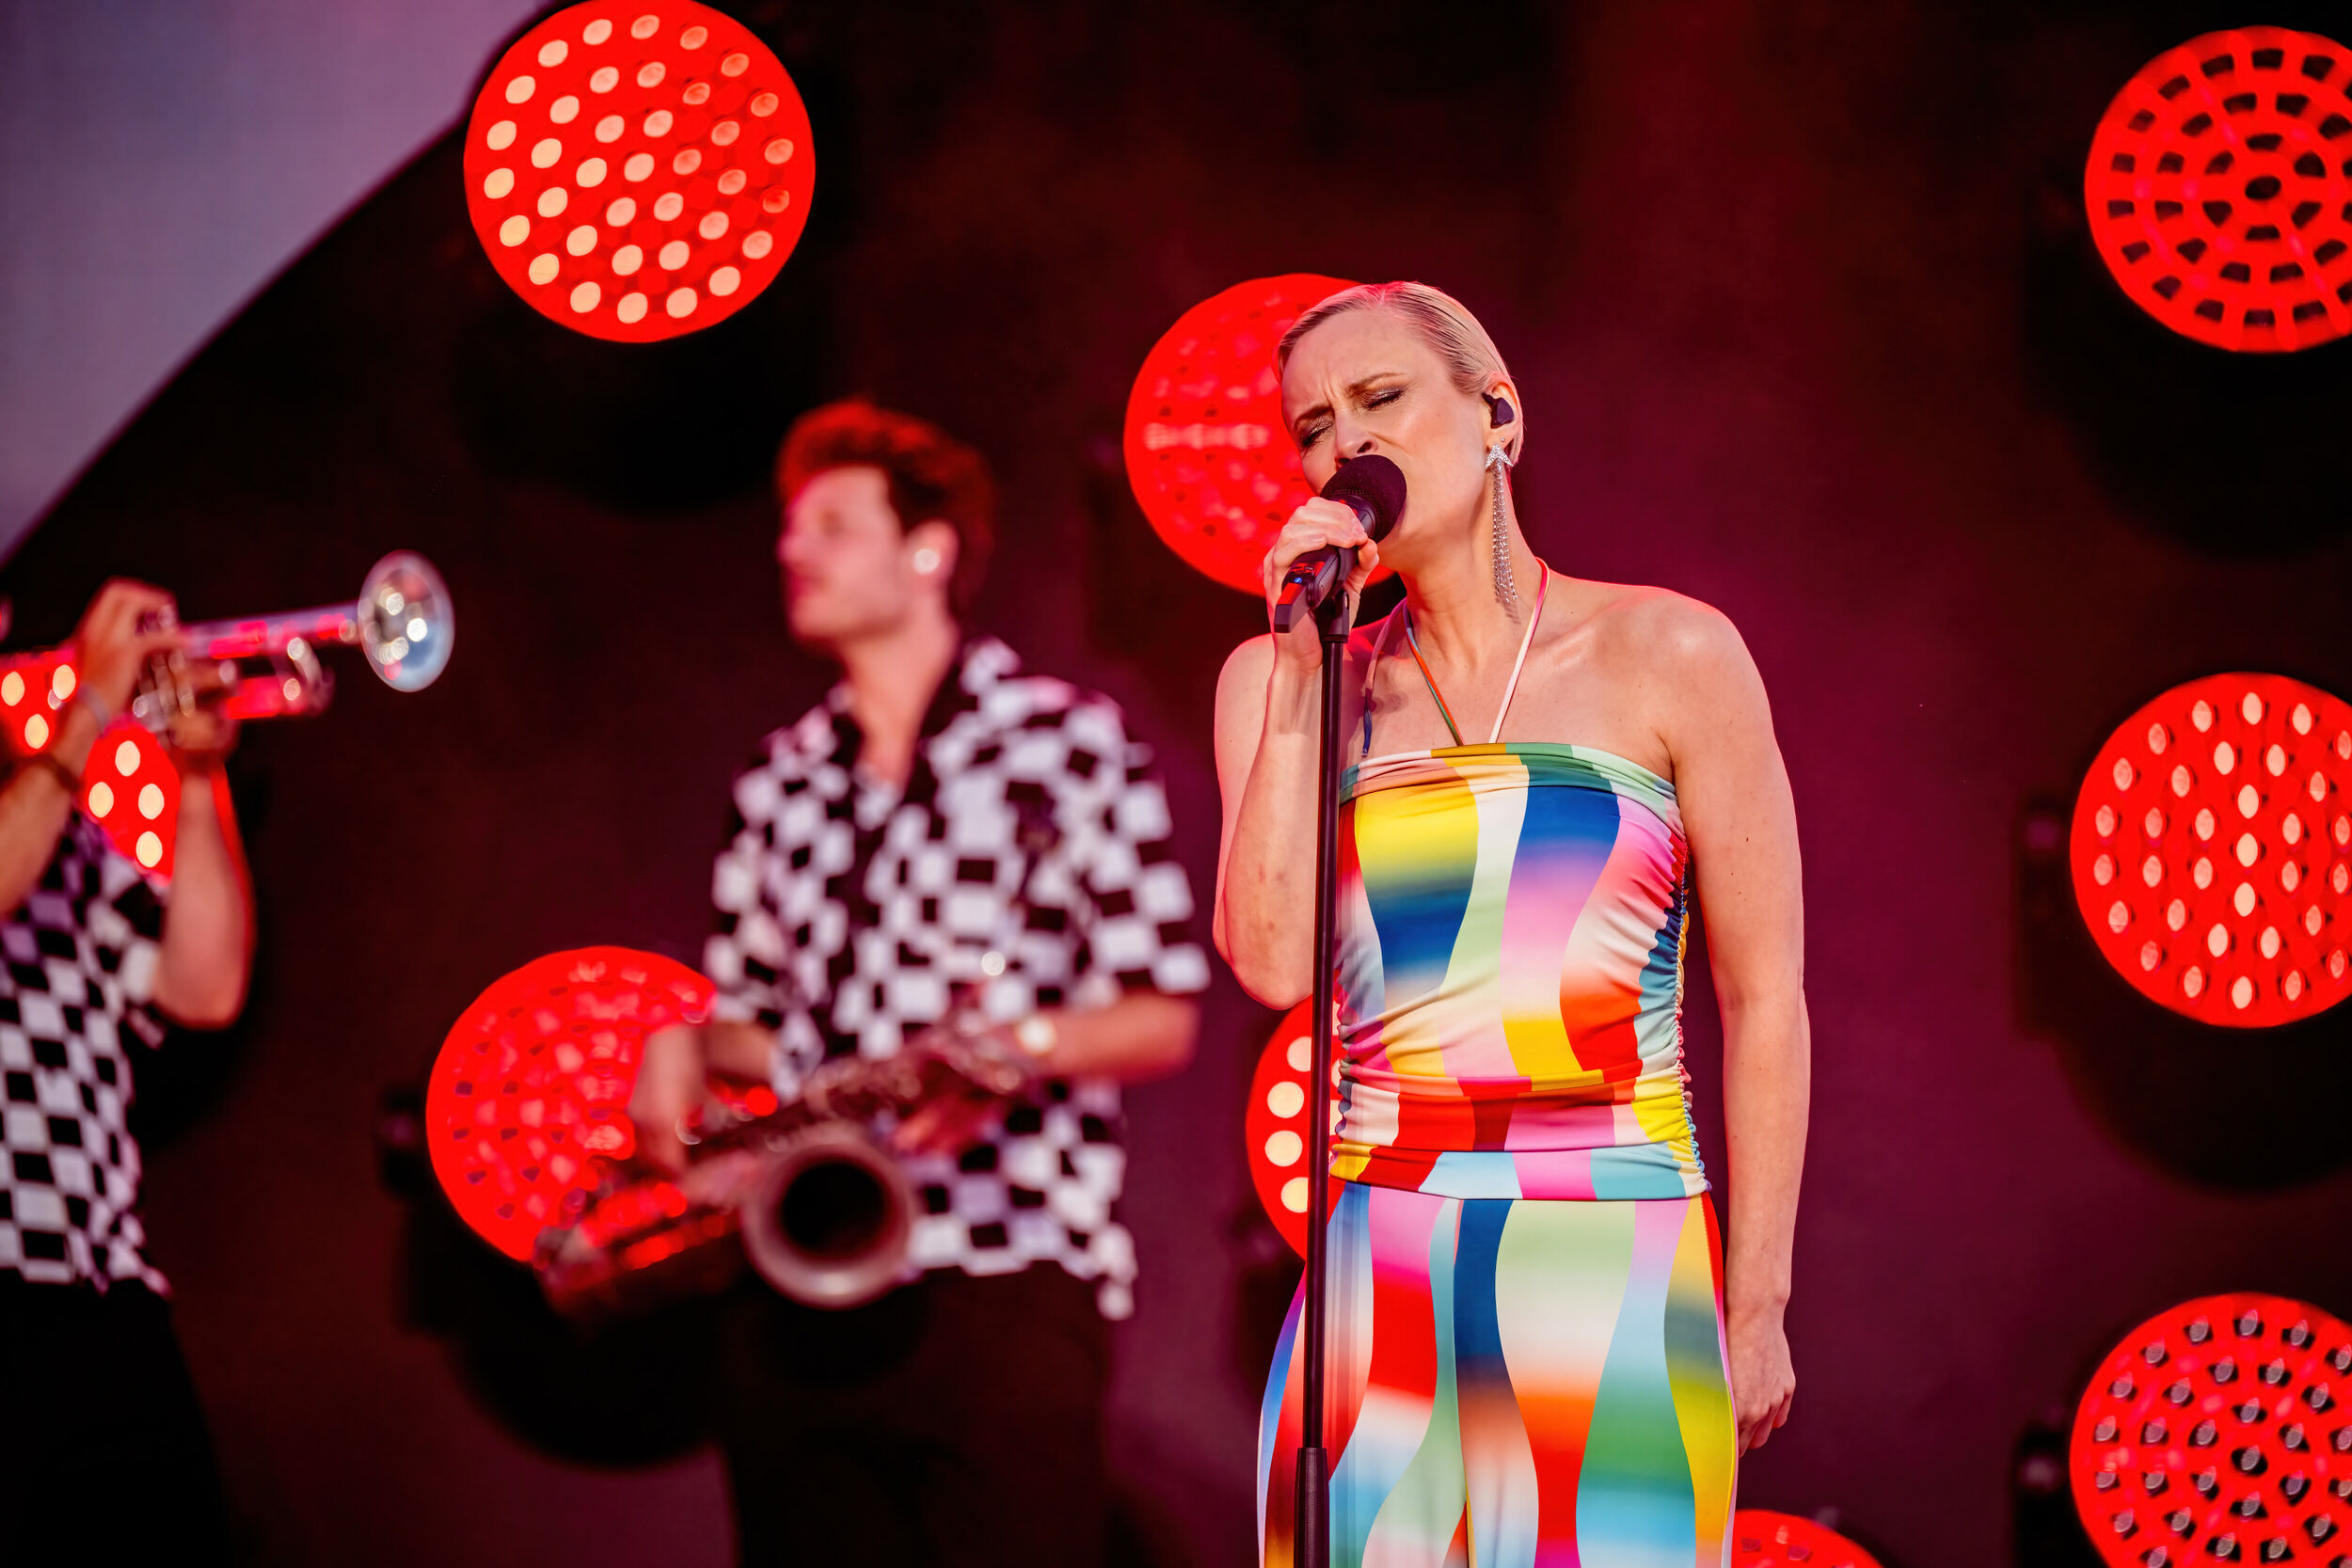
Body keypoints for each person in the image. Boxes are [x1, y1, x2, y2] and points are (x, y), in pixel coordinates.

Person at [1214, 283, 1809, 1562]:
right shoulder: (1287, 679)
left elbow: (1764, 996)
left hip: (1617, 1237)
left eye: (1380, 398)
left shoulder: (1670, 652)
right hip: (1379, 1256)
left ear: (1498, 416)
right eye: (1312, 427)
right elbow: (1266, 959)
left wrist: (1756, 1300)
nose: (1346, 444)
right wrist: (1303, 677)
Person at [629, 399, 1209, 1567]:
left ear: (928, 549)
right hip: (797, 1282)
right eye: (792, 528)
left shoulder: (1067, 741)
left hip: (1004, 1268)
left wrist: (1013, 1050)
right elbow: (760, 1028)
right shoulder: (778, 780)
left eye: (832, 525)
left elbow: (1160, 1015)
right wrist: (682, 1045)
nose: (792, 549)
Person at [0, 579, 255, 1564]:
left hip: (106, 1312)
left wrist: (197, 774)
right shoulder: (44, 791)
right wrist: (91, 708)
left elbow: (204, 986)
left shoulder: (54, 809)